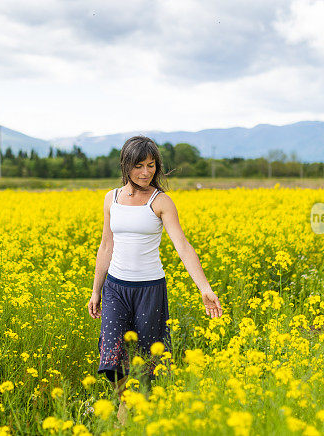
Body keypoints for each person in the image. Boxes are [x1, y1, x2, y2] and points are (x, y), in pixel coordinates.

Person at [87, 136, 223, 424]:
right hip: (115, 288)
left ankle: (143, 414)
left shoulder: (160, 201)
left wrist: (205, 288)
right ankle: (126, 406)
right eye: (139, 166)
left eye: (151, 165)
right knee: (112, 356)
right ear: (126, 166)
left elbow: (182, 246)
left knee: (151, 359)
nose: (146, 172)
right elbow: (105, 245)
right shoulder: (110, 199)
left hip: (150, 289)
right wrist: (96, 290)